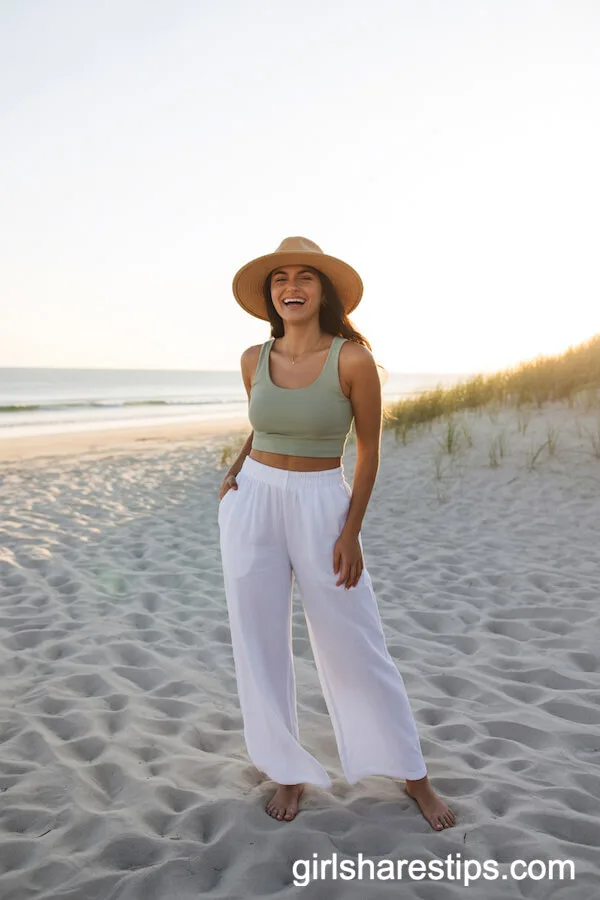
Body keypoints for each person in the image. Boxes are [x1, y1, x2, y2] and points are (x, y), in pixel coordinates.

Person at [217, 236, 456, 831]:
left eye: (305, 277)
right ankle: (286, 768)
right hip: (252, 500)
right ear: (270, 295)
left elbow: (369, 450)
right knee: (257, 640)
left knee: (355, 640)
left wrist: (351, 531)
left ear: (323, 292)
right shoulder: (252, 358)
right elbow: (262, 425)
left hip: (323, 501)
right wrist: (235, 470)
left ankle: (413, 774)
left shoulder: (351, 360)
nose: (291, 287)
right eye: (280, 279)